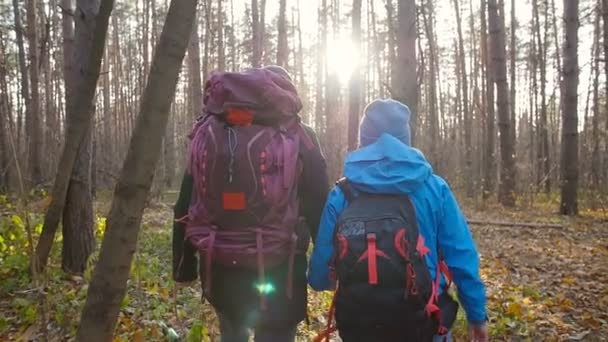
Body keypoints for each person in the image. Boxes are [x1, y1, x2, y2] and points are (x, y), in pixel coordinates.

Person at [308, 99, 488, 342]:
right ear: (406, 138)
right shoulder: (434, 188)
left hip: (359, 326)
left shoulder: (342, 193)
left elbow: (320, 277)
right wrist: (476, 316)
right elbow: (462, 256)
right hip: (425, 321)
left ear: (364, 139)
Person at [173, 66, 329, 342]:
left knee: (232, 332)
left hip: (220, 263)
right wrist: (326, 266)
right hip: (282, 269)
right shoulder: (300, 134)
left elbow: (187, 201)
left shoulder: (209, 130)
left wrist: (183, 265)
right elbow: (319, 205)